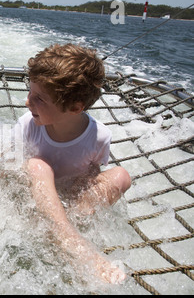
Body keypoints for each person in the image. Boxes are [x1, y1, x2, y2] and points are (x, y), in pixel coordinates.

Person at [18, 43, 131, 284]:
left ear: (75, 107)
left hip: (69, 203)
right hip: (34, 201)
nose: (28, 102)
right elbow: (11, 173)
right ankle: (68, 238)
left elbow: (91, 175)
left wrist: (78, 205)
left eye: (39, 98)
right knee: (37, 165)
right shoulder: (27, 125)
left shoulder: (99, 137)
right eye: (30, 92)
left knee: (121, 175)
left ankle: (67, 228)